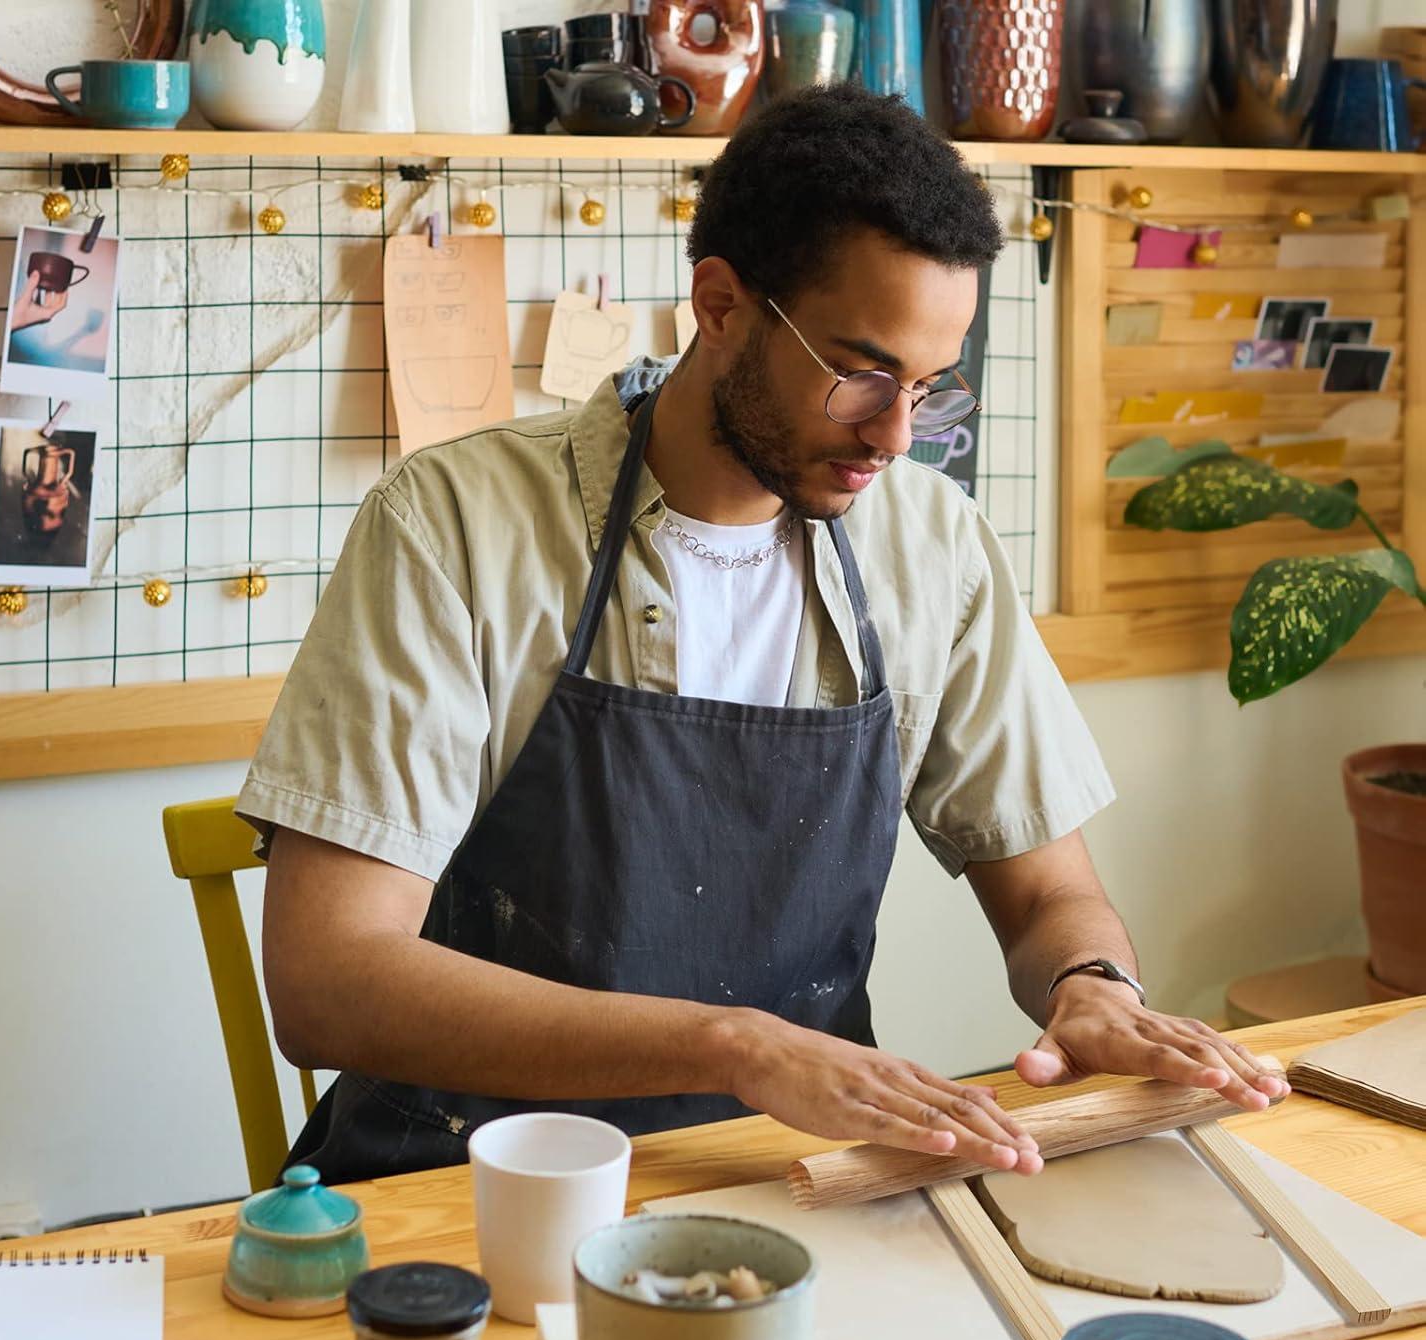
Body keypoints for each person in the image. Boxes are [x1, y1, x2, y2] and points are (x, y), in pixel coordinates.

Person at [235, 85, 1288, 1184]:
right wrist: (733, 1047)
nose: (893, 436)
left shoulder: (932, 545)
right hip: (479, 1180)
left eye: (928, 389)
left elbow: (1047, 894)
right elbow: (326, 983)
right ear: (723, 305)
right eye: (860, 374)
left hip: (800, 1174)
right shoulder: (456, 523)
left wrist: (1091, 988)